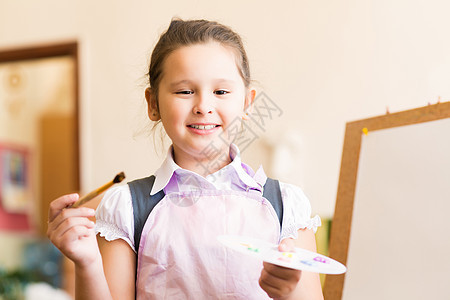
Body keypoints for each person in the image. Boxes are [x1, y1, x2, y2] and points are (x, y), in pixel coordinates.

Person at [47, 18, 324, 300]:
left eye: (221, 92)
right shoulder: (126, 208)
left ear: (247, 103)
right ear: (153, 104)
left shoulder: (287, 206)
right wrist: (87, 262)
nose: (204, 106)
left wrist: (288, 294)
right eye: (185, 91)